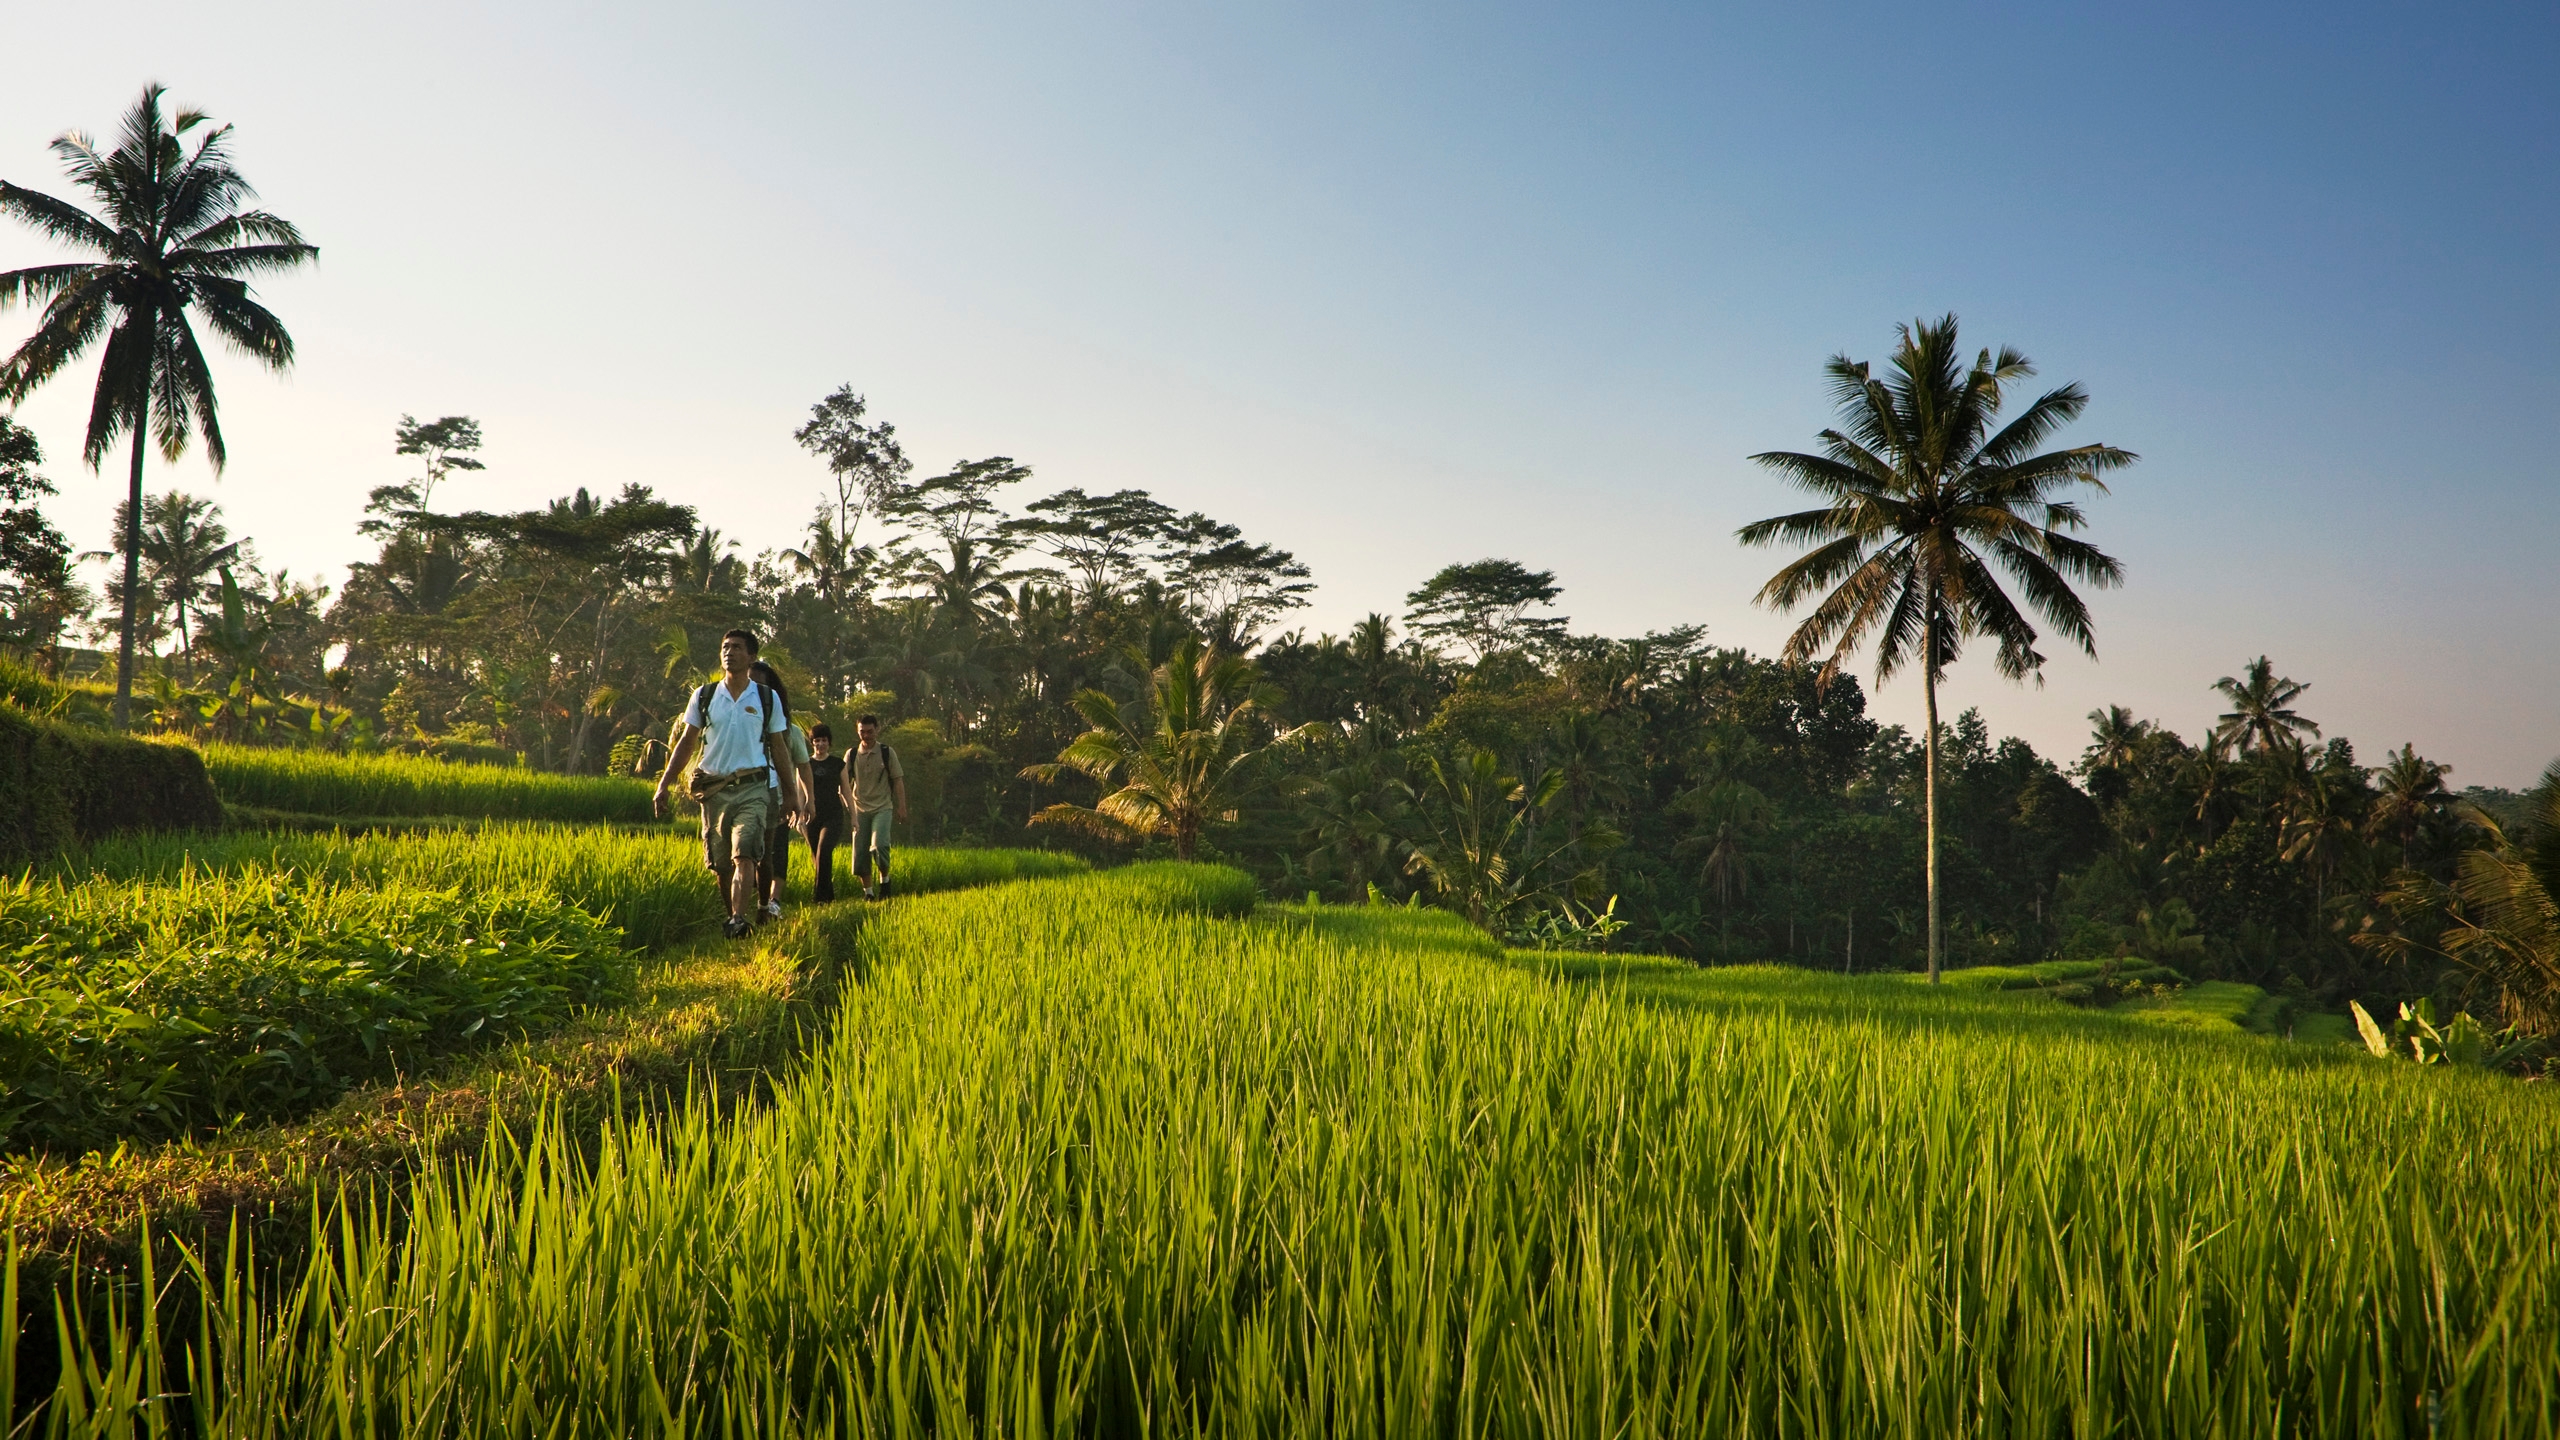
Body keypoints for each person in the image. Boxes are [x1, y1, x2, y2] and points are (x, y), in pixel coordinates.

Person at [653, 629, 795, 940]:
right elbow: (686, 743)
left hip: (753, 788)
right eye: (725, 647)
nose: (729, 652)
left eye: (737, 647)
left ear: (751, 657)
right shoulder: (704, 696)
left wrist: (792, 794)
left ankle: (739, 921)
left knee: (744, 852)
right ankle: (733, 916)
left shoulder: (766, 698)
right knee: (720, 864)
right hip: (713, 790)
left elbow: (780, 748)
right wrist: (664, 784)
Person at [748, 660, 813, 923]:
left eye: (761, 686)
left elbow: (803, 766)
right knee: (748, 852)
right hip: (745, 796)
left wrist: (805, 799)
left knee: (776, 851)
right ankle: (753, 903)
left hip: (778, 798)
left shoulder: (789, 731)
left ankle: (773, 902)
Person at [840, 713, 908, 900]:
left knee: (879, 846)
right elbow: (843, 782)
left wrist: (902, 807)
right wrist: (847, 806)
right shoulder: (851, 754)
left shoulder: (887, 752)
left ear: (877, 730)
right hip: (859, 808)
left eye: (870, 731)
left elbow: (898, 780)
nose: (866, 735)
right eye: (863, 732)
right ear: (858, 731)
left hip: (883, 807)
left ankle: (885, 881)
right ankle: (868, 893)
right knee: (860, 853)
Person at [806, 722, 846, 902]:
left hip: (833, 815)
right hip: (812, 816)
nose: (820, 744)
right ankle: (828, 897)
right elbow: (800, 791)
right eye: (817, 741)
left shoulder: (838, 764)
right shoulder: (805, 764)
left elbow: (846, 791)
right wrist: (797, 814)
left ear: (829, 742)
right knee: (816, 855)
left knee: (824, 849)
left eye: (823, 740)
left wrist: (854, 817)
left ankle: (819, 897)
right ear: (812, 743)